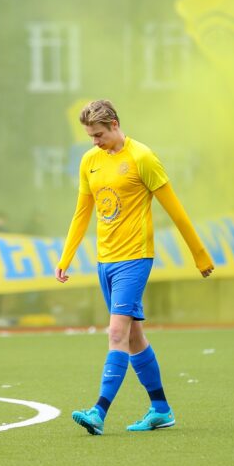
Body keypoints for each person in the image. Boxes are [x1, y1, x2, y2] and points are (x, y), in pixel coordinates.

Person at [56, 99, 214, 435]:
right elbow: (81, 212)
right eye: (90, 136)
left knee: (116, 333)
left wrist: (199, 255)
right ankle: (161, 408)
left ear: (114, 123)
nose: (94, 141)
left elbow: (176, 210)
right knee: (133, 337)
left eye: (98, 134)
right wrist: (65, 257)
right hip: (105, 261)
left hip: (135, 259)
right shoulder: (90, 161)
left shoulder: (143, 158)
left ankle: (98, 412)